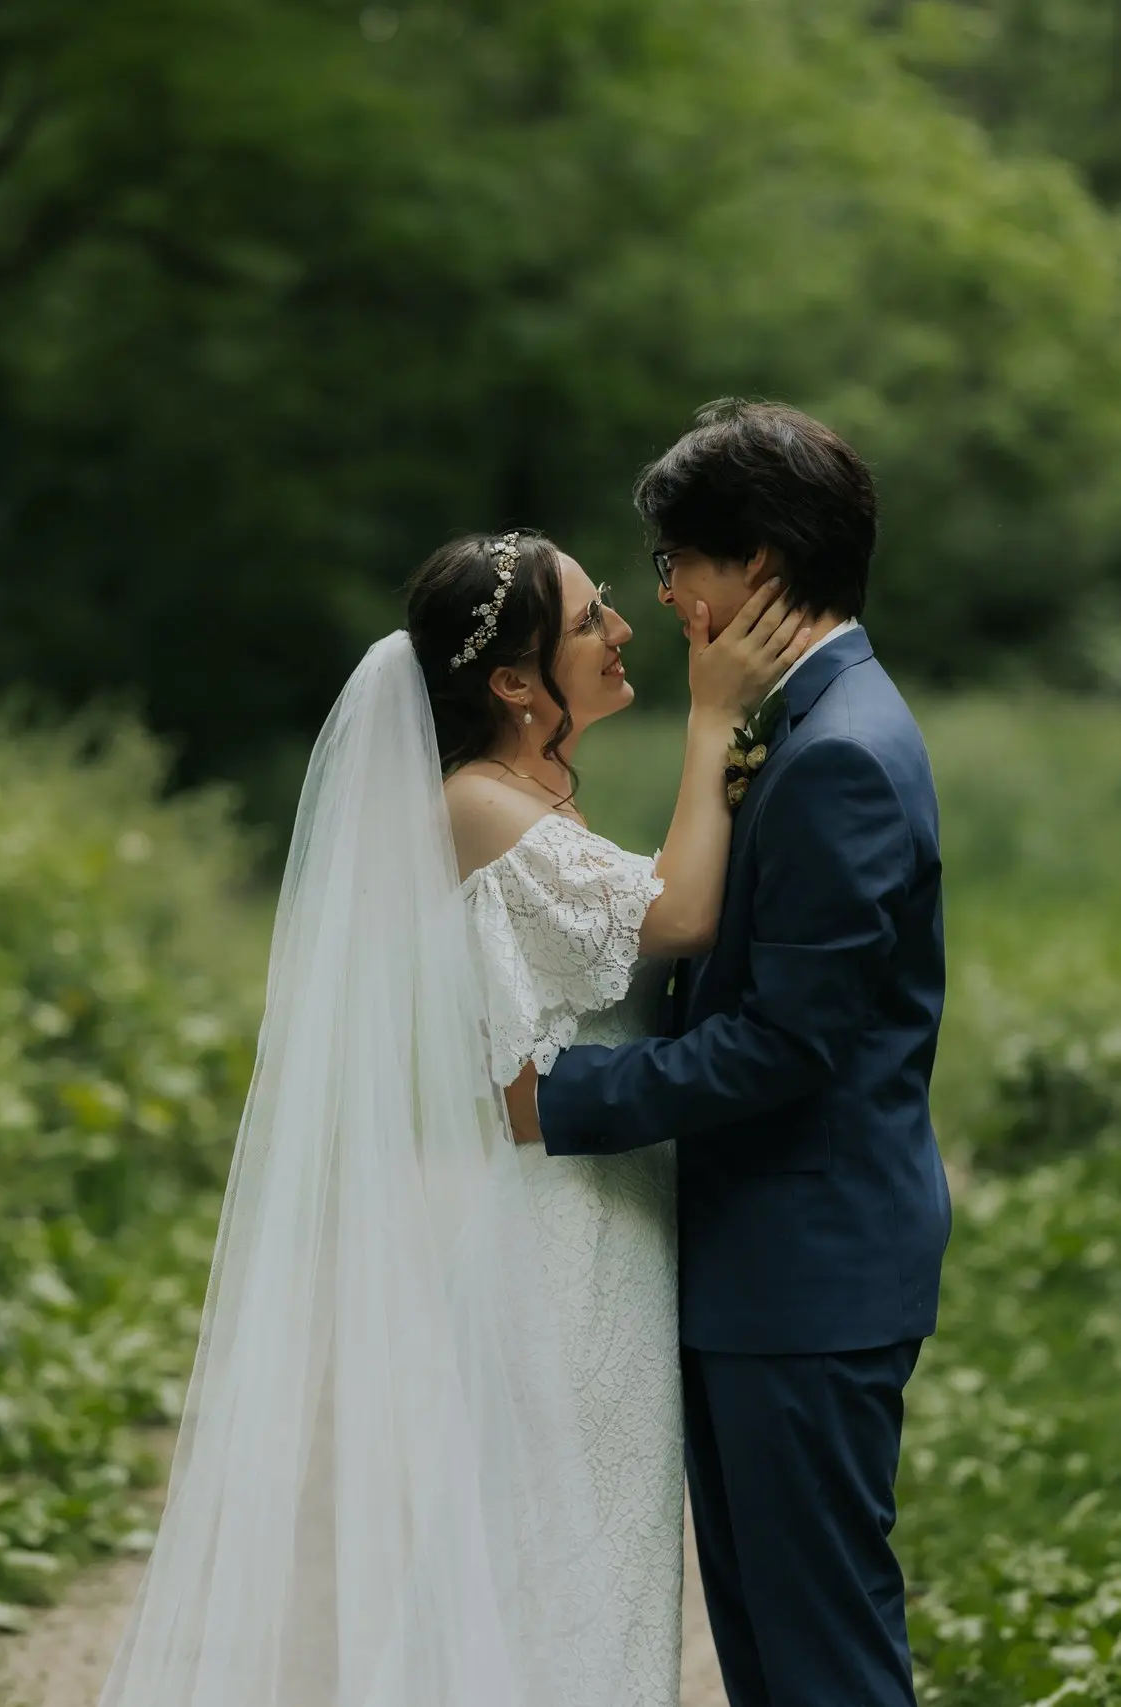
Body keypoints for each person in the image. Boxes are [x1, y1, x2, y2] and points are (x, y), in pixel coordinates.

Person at [95, 512, 807, 1707]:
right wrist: (710, 718)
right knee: (565, 1565)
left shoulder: (530, 800)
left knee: (590, 1563)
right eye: (589, 617)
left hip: (607, 1222)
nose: (621, 628)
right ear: (516, 682)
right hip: (567, 1242)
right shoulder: (477, 804)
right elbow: (680, 916)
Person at [512, 399, 954, 1707]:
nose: (659, 596)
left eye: (673, 562)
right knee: (770, 1649)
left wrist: (558, 1096)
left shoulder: (839, 754)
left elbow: (785, 1042)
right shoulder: (807, 719)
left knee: (820, 1657)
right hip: (765, 1268)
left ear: (753, 563)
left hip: (803, 1275)